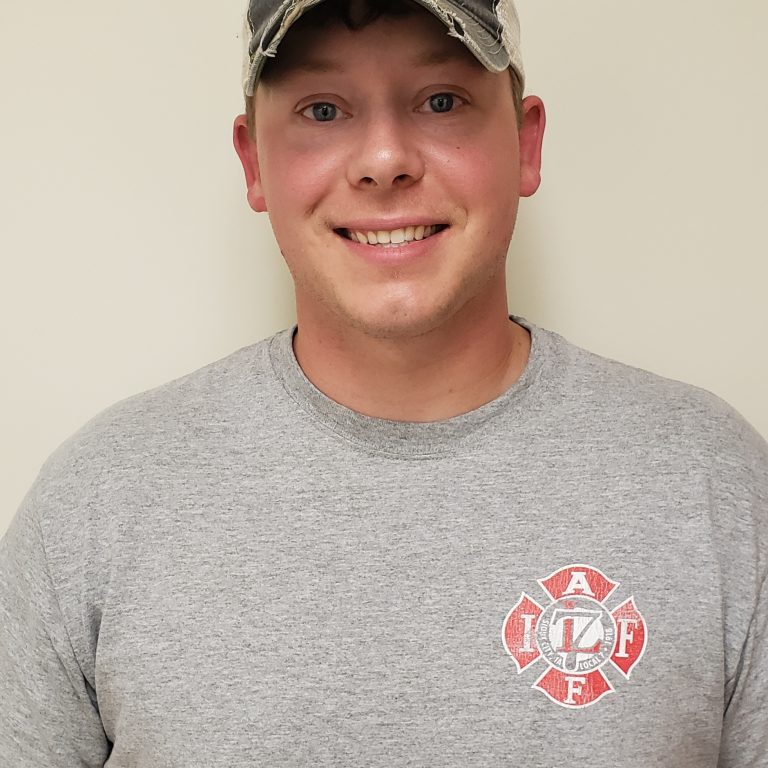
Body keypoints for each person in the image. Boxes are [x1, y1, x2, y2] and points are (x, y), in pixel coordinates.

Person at [1, 0, 766, 765]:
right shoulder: (99, 503)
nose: (384, 158)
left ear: (527, 143)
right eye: (323, 109)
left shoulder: (710, 485)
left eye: (442, 101)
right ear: (254, 163)